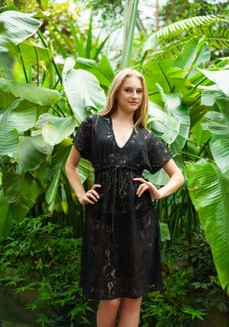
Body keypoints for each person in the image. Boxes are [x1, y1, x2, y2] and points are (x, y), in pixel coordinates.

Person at [65, 68, 184, 327]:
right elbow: (70, 166)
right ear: (117, 92)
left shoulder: (147, 137)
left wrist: (159, 191)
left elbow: (177, 176)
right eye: (128, 90)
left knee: (132, 298)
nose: (134, 95)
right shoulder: (93, 125)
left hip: (139, 221)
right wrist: (80, 194)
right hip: (102, 220)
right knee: (109, 299)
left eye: (139, 91)